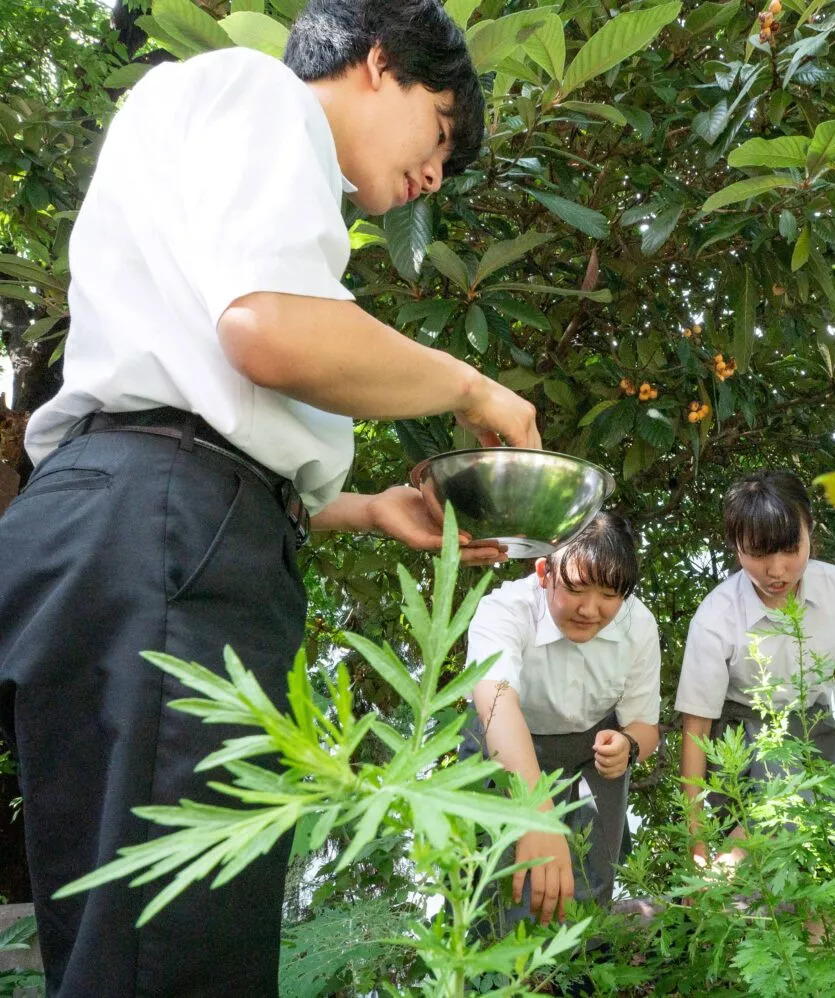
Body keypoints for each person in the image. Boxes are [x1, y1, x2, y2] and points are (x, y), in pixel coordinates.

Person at [0, 2, 542, 994]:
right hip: (164, 533)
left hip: (110, 521)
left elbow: (193, 406)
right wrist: (470, 386)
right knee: (180, 955)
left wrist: (363, 506)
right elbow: (266, 332)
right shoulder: (267, 96)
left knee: (115, 942)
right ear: (378, 61)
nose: (433, 177)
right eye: (438, 134)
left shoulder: (205, 129)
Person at [676, 470, 835, 868]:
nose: (777, 570)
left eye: (791, 549)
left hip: (816, 732)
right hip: (743, 741)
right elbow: (697, 727)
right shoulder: (716, 616)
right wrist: (696, 836)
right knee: (760, 852)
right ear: (736, 547)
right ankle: (722, 875)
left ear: (811, 532)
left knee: (826, 861)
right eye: (759, 553)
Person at [465, 512, 662, 926]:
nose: (590, 609)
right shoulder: (504, 610)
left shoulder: (639, 624)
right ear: (544, 572)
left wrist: (628, 746)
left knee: (589, 883)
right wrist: (536, 812)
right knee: (493, 880)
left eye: (609, 595)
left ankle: (582, 958)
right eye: (576, 588)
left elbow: (645, 727)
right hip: (503, 744)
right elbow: (496, 702)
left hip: (590, 756)